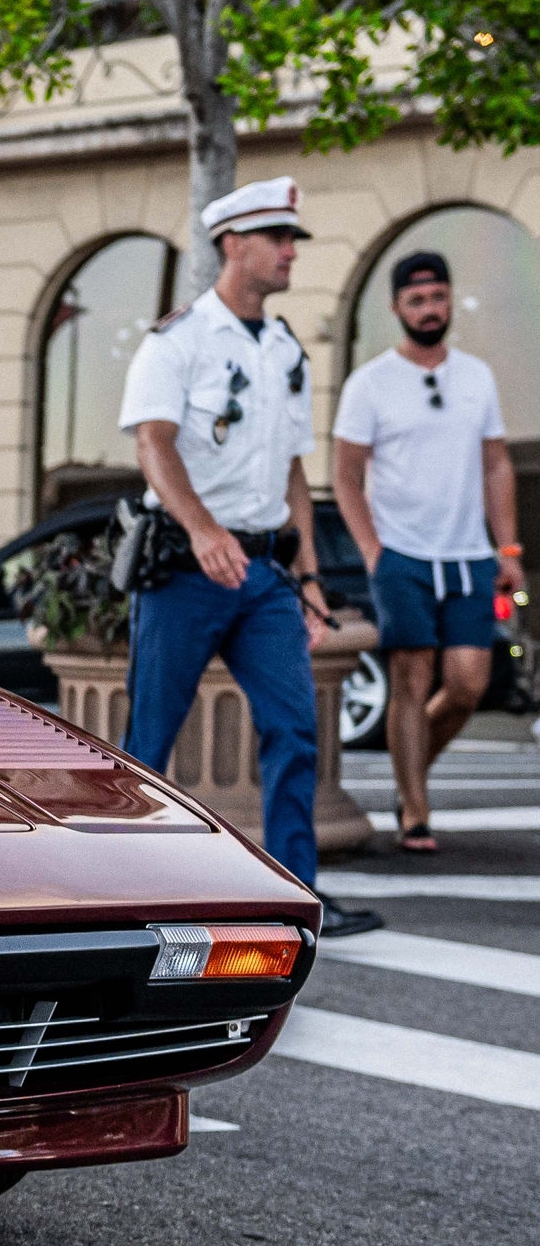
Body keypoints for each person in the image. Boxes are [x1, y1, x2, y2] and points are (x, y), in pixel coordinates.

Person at [117, 176, 381, 938]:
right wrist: (202, 528)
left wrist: (309, 580)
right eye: (279, 238)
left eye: (292, 238)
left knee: (295, 729)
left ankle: (298, 898)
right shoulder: (181, 339)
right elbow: (152, 442)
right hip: (184, 570)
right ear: (234, 245)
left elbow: (294, 467)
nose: (291, 251)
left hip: (265, 573)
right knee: (148, 744)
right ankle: (134, 897)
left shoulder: (284, 347)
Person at [330, 250, 525, 852]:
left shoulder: (476, 376)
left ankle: (407, 774)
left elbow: (495, 464)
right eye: (417, 300)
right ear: (397, 308)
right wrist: (374, 553)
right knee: (410, 680)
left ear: (449, 299)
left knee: (468, 683)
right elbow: (344, 476)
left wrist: (508, 546)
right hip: (403, 557)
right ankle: (415, 809)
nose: (430, 309)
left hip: (468, 556)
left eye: (438, 297)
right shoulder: (371, 382)